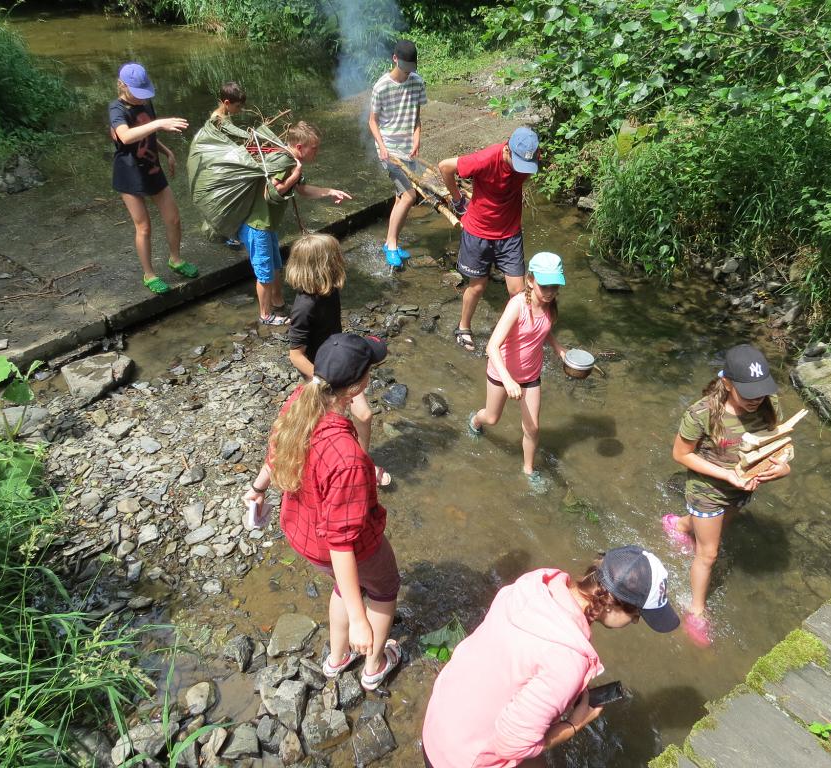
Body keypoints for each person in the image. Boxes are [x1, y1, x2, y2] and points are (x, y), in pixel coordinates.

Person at [422, 545, 679, 768]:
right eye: (637, 615)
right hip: (460, 759)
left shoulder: (536, 584)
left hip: (439, 718)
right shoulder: (568, 661)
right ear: (611, 604)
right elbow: (511, 746)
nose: (635, 622)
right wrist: (574, 724)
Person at [243, 333, 401, 690]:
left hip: (304, 535)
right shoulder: (348, 458)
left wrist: (257, 488)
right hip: (344, 546)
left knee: (344, 588)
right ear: (357, 386)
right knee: (384, 586)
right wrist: (361, 621)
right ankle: (374, 664)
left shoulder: (300, 400)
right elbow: (343, 542)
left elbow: (275, 451)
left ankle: (337, 657)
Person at [662, 344, 792, 647]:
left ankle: (679, 525)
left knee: (725, 522)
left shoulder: (769, 404)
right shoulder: (703, 413)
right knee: (709, 553)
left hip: (744, 486)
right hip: (707, 490)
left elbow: (778, 443)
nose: (756, 399)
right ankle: (696, 610)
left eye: (760, 391)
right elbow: (680, 455)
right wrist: (726, 475)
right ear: (728, 383)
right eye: (748, 393)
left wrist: (782, 466)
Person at [285, 233, 389, 486]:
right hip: (322, 373)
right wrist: (324, 380)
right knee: (323, 419)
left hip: (338, 360)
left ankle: (363, 461)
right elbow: (295, 354)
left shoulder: (329, 291)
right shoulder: (304, 307)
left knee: (360, 416)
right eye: (337, 257)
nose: (342, 260)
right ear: (325, 265)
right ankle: (314, 464)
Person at [467, 252, 567, 490]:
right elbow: (492, 346)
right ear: (531, 280)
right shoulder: (517, 306)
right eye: (545, 285)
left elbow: (544, 329)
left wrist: (558, 348)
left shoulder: (550, 306)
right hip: (502, 373)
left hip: (531, 375)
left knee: (532, 427)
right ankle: (475, 420)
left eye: (555, 285)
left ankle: (528, 469)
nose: (551, 291)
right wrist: (508, 379)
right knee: (492, 418)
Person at [238, 121, 352, 325]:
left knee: (275, 266)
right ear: (300, 147)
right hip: (257, 225)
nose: (316, 153)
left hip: (267, 224)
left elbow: (303, 190)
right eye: (314, 148)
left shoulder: (289, 160)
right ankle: (265, 316)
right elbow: (270, 192)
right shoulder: (286, 162)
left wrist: (329, 191)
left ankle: (279, 304)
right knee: (264, 271)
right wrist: (295, 175)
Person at [438, 126, 540, 352]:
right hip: (479, 231)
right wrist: (457, 200)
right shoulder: (484, 159)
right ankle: (463, 327)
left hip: (510, 232)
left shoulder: (531, 153)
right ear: (507, 150)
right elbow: (444, 166)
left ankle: (513, 334)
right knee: (478, 285)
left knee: (518, 291)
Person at [109, 62, 196, 295]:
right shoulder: (117, 109)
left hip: (152, 169)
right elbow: (126, 137)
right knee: (144, 227)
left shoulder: (146, 104)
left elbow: (148, 135)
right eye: (137, 94)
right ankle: (149, 274)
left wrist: (167, 152)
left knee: (173, 218)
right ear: (123, 87)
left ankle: (175, 259)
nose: (141, 99)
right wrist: (159, 123)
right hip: (129, 174)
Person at [368, 39, 427, 268]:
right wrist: (382, 147)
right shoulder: (381, 87)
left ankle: (390, 242)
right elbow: (372, 122)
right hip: (389, 150)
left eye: (410, 69)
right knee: (411, 196)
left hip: (407, 150)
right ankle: (391, 245)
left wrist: (416, 140)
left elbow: (417, 116)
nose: (407, 73)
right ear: (394, 59)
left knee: (400, 197)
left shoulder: (418, 83)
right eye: (404, 68)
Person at [210, 81, 247, 248]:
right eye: (238, 106)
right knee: (228, 200)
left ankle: (228, 231)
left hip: (226, 161)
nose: (240, 109)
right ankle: (228, 234)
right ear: (226, 103)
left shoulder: (225, 115)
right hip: (219, 166)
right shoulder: (217, 120)